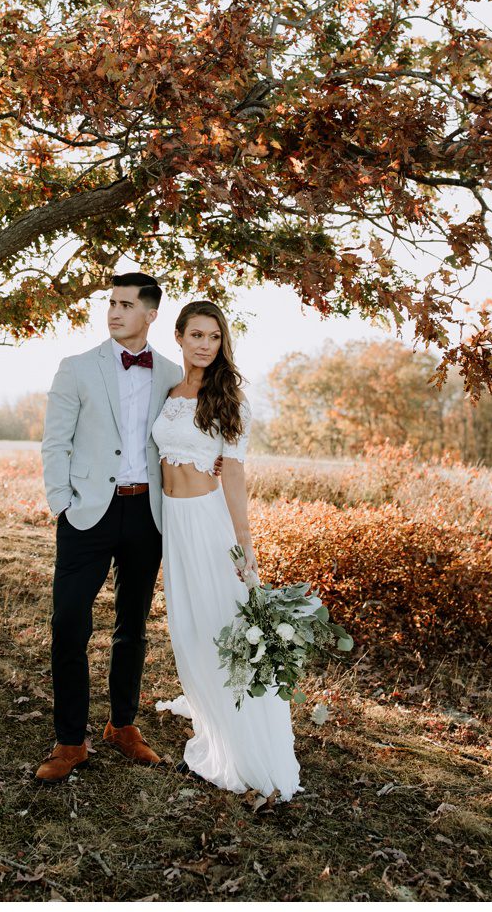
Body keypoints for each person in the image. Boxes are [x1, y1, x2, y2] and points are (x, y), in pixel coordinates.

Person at [36, 272, 183, 781]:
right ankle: (70, 741)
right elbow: (55, 442)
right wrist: (62, 504)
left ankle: (123, 726)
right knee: (69, 624)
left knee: (132, 627)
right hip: (87, 513)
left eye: (125, 304)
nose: (114, 312)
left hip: (148, 515)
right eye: (111, 303)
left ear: (151, 314)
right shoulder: (76, 368)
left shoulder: (171, 373)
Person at [151, 300, 299, 798]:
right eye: (196, 335)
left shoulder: (230, 397)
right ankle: (207, 707)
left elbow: (233, 472)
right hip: (173, 523)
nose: (205, 345)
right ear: (179, 336)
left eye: (214, 337)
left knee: (221, 623)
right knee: (188, 625)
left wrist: (245, 544)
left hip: (209, 524)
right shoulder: (168, 390)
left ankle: (244, 742)